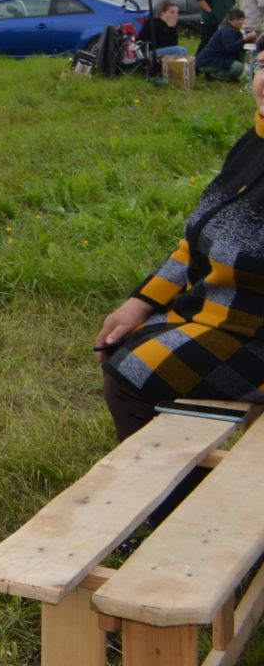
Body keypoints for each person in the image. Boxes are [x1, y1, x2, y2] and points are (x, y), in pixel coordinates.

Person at [95, 65, 264, 444]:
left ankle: (179, 496)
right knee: (122, 346)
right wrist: (141, 300)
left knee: (132, 374)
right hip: (218, 315)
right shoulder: (254, 141)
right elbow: (198, 241)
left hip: (253, 332)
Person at [196, 6, 249, 81]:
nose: (240, 22)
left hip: (219, 59)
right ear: (230, 21)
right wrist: (244, 39)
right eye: (237, 20)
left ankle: (227, 76)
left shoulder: (236, 31)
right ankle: (214, 76)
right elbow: (230, 48)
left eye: (242, 19)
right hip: (208, 61)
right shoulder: (227, 31)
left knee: (240, 60)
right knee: (238, 67)